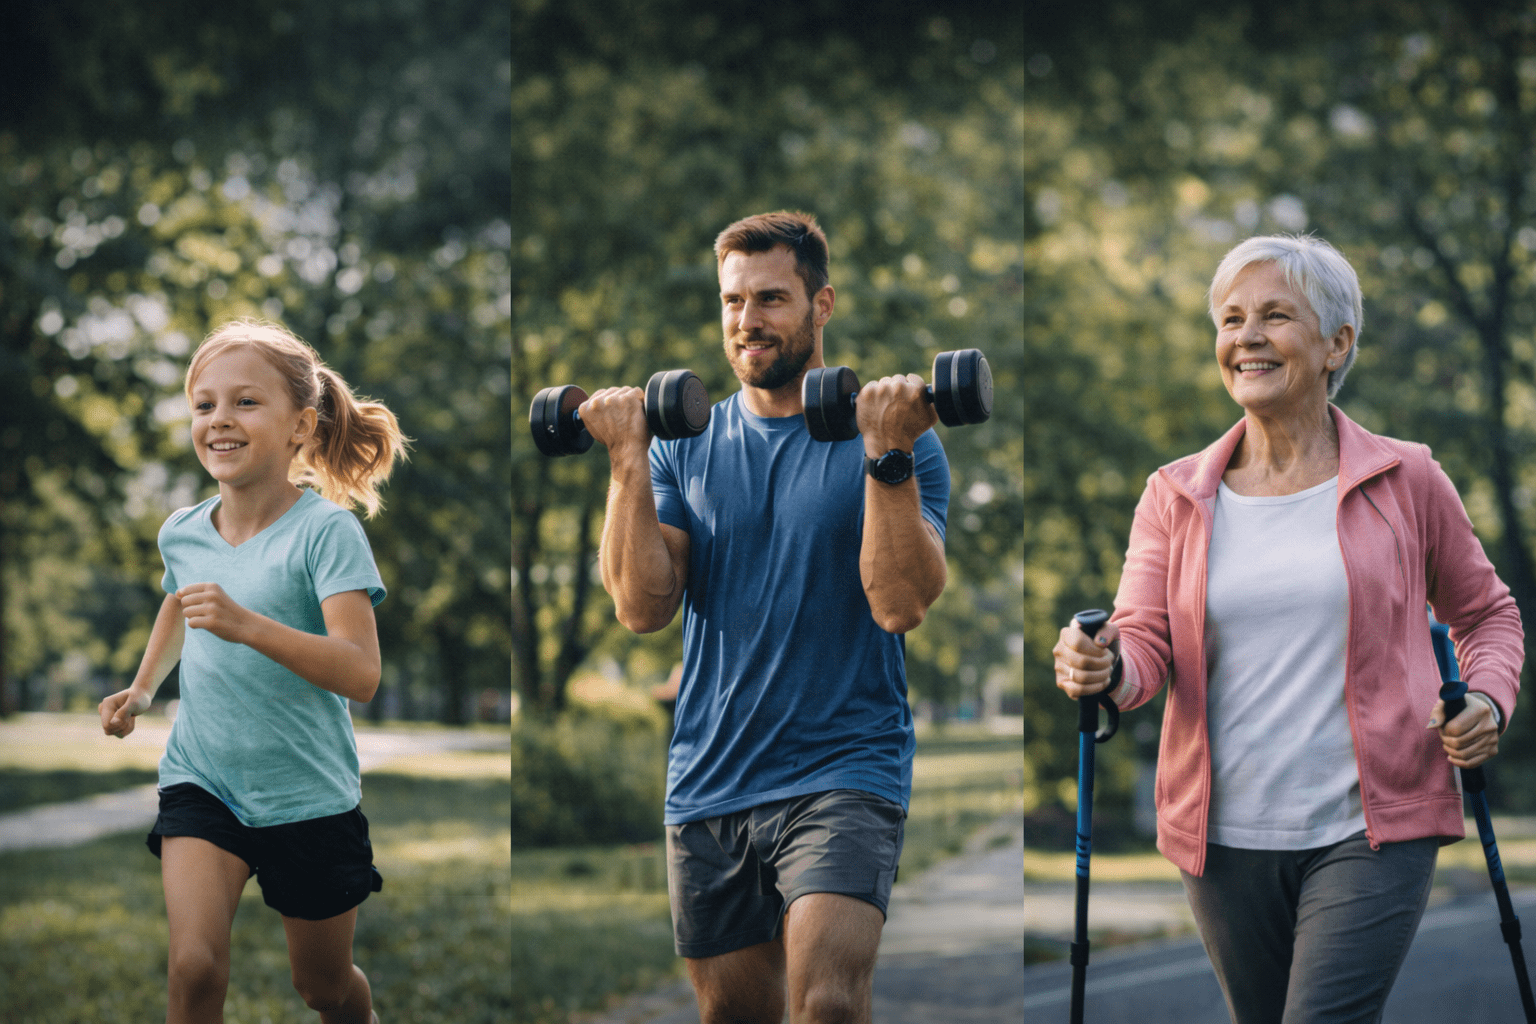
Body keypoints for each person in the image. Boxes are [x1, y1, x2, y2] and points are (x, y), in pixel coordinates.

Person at [1053, 234, 1525, 1023]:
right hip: (1221, 838)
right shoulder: (1174, 493)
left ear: (1337, 342)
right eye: (1231, 319)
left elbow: (1487, 614)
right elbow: (1143, 643)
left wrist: (1487, 701)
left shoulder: (1407, 478)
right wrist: (1104, 664)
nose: (1248, 337)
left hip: (1373, 827)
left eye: (1275, 316)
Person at [580, 210, 950, 1023]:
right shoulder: (683, 445)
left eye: (772, 298)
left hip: (844, 766)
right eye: (732, 300)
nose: (747, 320)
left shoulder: (897, 437)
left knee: (828, 1004)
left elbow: (899, 605)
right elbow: (642, 607)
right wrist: (627, 459)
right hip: (711, 776)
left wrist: (886, 453)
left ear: (822, 305)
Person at [98, 320, 407, 1024]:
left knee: (323, 989)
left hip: (307, 794)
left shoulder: (327, 532)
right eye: (204, 405)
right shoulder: (182, 530)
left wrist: (247, 625)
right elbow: (180, 603)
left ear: (300, 426)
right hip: (202, 778)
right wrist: (142, 688)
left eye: (245, 402)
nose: (219, 420)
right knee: (194, 966)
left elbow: (361, 672)